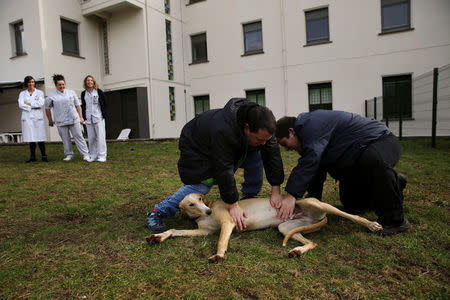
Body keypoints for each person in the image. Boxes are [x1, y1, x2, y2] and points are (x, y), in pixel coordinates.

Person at [147, 98, 285, 233]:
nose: (263, 143)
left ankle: (249, 195)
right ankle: (158, 212)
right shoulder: (223, 130)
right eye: (260, 139)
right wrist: (233, 205)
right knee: (201, 185)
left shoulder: (264, 125)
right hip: (198, 150)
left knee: (256, 156)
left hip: (230, 144)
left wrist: (276, 190)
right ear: (247, 128)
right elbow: (224, 169)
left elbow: (272, 155)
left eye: (266, 139)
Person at [275, 110, 409, 236]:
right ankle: (394, 184)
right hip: (356, 154)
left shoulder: (311, 125)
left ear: (291, 131)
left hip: (380, 141)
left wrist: (291, 195)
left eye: (285, 144)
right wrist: (313, 202)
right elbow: (316, 168)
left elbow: (311, 160)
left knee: (374, 161)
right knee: (351, 203)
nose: (287, 149)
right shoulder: (310, 139)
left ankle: (395, 220)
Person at [45, 74, 91, 162]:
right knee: (65, 139)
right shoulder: (51, 96)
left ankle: (85, 154)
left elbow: (78, 106)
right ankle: (69, 154)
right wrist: (50, 120)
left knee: (79, 136)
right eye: (59, 85)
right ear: (56, 85)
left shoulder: (71, 92)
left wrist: (81, 117)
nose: (62, 86)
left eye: (63, 84)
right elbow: (47, 109)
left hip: (74, 119)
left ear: (65, 84)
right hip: (60, 120)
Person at [18, 76, 47, 162]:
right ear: (26, 83)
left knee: (40, 136)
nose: (31, 84)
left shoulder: (40, 92)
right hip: (27, 117)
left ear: (34, 83)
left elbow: (41, 103)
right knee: (31, 137)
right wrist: (32, 105)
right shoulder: (22, 93)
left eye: (32, 82)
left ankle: (44, 156)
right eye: (29, 82)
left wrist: (29, 104)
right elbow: (21, 104)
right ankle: (32, 157)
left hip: (37, 116)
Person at [81, 75, 107, 162]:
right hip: (88, 119)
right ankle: (93, 155)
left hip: (98, 117)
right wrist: (84, 117)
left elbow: (104, 104)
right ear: (85, 82)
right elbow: (84, 106)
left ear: (94, 82)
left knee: (100, 137)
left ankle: (102, 155)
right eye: (88, 80)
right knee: (91, 138)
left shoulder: (99, 92)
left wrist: (103, 115)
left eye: (91, 80)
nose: (90, 82)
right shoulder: (83, 93)